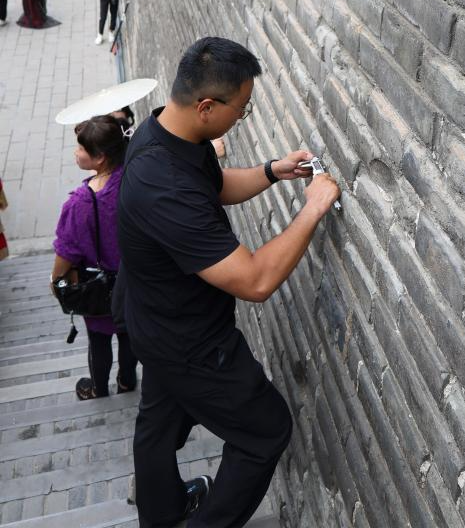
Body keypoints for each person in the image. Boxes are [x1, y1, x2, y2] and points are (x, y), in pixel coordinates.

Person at [119, 37, 340, 528]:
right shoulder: (163, 187)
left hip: (153, 322)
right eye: (241, 110)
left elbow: (215, 186)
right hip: (189, 342)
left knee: (158, 424)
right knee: (265, 430)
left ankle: (161, 513)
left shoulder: (165, 132)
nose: (242, 117)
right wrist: (313, 209)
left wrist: (273, 171)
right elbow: (256, 280)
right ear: (205, 107)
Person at [52, 116, 139, 400]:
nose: (75, 153)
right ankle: (127, 382)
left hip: (98, 289)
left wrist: (56, 282)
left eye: (80, 148)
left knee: (99, 343)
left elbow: (66, 254)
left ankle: (98, 389)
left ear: (99, 157)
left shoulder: (80, 203)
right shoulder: (133, 179)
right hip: (134, 282)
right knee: (128, 335)